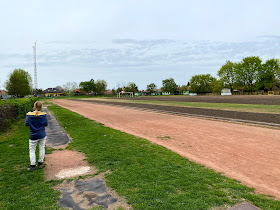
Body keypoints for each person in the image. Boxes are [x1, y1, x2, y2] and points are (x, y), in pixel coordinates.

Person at [25, 101, 48, 171]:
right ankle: (40, 163)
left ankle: (32, 165)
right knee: (42, 148)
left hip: (33, 135)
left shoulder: (29, 115)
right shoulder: (44, 115)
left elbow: (26, 124)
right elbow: (46, 124)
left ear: (34, 106)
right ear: (41, 107)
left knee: (32, 150)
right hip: (42, 134)